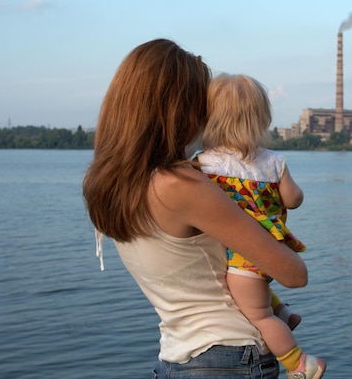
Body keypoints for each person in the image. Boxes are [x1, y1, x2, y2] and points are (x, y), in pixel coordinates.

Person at [82, 39, 309, 379]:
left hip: (177, 357)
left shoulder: (112, 186)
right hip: (230, 357)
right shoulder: (181, 185)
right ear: (180, 110)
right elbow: (294, 274)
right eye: (202, 105)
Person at [197, 73, 326, 379]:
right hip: (270, 249)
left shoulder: (203, 164)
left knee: (258, 316)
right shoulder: (274, 163)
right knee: (255, 295)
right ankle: (284, 313)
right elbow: (293, 200)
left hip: (242, 254)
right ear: (262, 118)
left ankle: (300, 364)